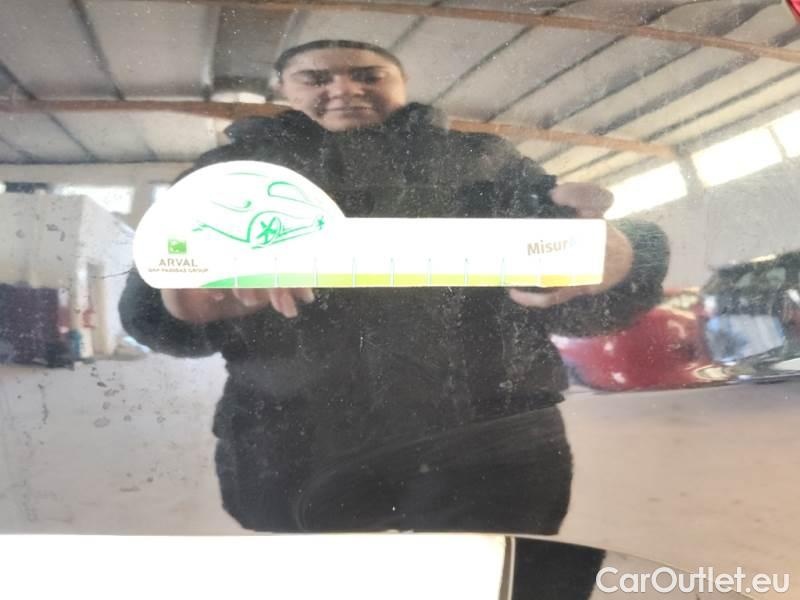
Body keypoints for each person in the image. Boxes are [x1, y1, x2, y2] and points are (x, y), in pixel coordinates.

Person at [120, 40, 668, 539]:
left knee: (488, 582)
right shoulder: (227, 176)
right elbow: (152, 309)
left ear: (402, 85)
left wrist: (621, 259)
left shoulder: (486, 161)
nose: (344, 88)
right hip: (298, 450)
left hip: (489, 447)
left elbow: (567, 292)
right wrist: (173, 303)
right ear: (283, 89)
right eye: (316, 78)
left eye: (368, 75)